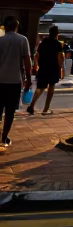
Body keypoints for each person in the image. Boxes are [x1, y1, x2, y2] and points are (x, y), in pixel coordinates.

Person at [0, 15, 32, 147]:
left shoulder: (0, 40)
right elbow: (27, 61)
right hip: (14, 81)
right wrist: (28, 79)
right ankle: (4, 138)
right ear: (16, 27)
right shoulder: (23, 40)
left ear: (4, 27)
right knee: (10, 111)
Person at [27, 25, 63, 117]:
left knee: (40, 87)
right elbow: (59, 57)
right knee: (51, 86)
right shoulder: (57, 44)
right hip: (53, 68)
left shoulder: (43, 43)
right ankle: (45, 109)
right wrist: (60, 68)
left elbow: (37, 55)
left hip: (43, 67)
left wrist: (36, 65)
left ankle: (32, 105)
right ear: (57, 34)